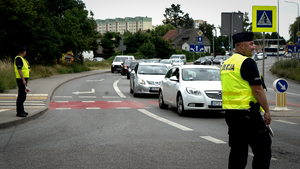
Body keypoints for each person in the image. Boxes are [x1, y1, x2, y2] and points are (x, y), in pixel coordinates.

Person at [220, 32, 272, 169]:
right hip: (249, 116)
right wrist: (267, 111)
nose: (254, 47)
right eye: (251, 44)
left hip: (231, 115)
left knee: (238, 152)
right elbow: (258, 90)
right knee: (263, 150)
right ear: (241, 46)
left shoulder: (227, 63)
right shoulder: (247, 62)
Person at [14, 47, 30, 117]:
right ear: (24, 52)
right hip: (21, 79)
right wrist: (23, 80)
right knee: (21, 95)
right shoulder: (18, 58)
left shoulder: (22, 59)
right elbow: (19, 70)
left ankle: (22, 110)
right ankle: (19, 112)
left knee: (23, 95)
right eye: (25, 51)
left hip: (23, 79)